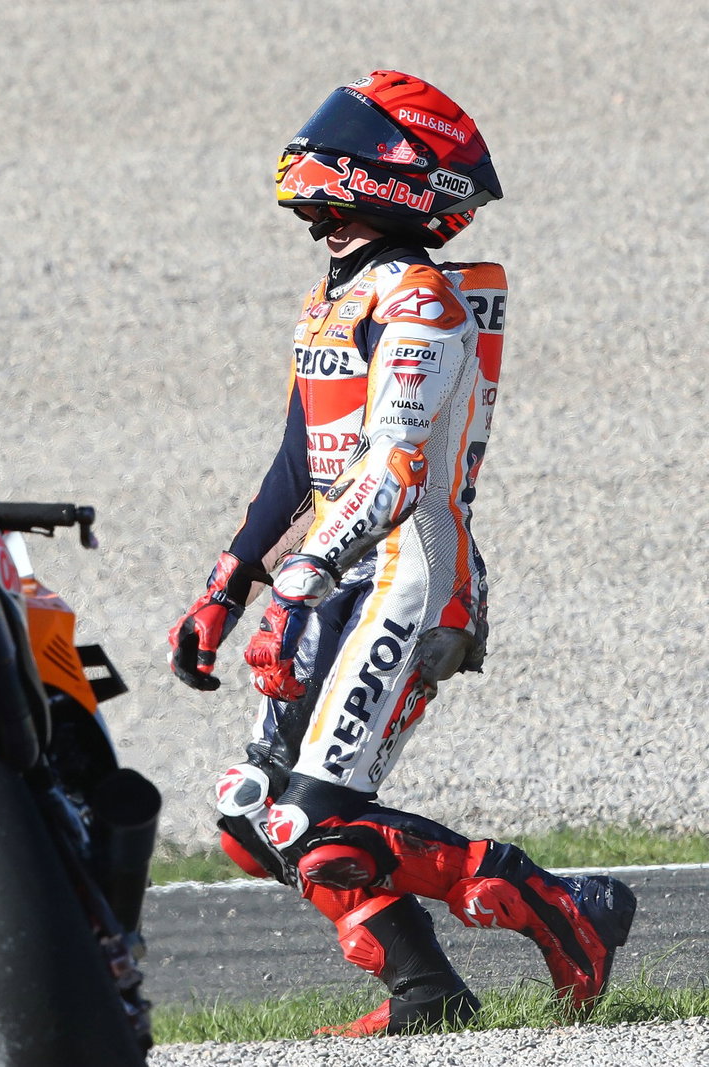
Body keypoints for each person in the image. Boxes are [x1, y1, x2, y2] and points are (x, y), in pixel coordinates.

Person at [166, 70, 635, 1035]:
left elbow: (395, 470)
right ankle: (429, 996)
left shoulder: (421, 302)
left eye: (343, 156)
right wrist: (227, 582)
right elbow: (299, 461)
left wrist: (296, 585)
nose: (317, 190)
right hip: (334, 576)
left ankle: (565, 907)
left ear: (395, 178)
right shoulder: (334, 296)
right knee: (254, 815)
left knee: (314, 821)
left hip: (410, 579)